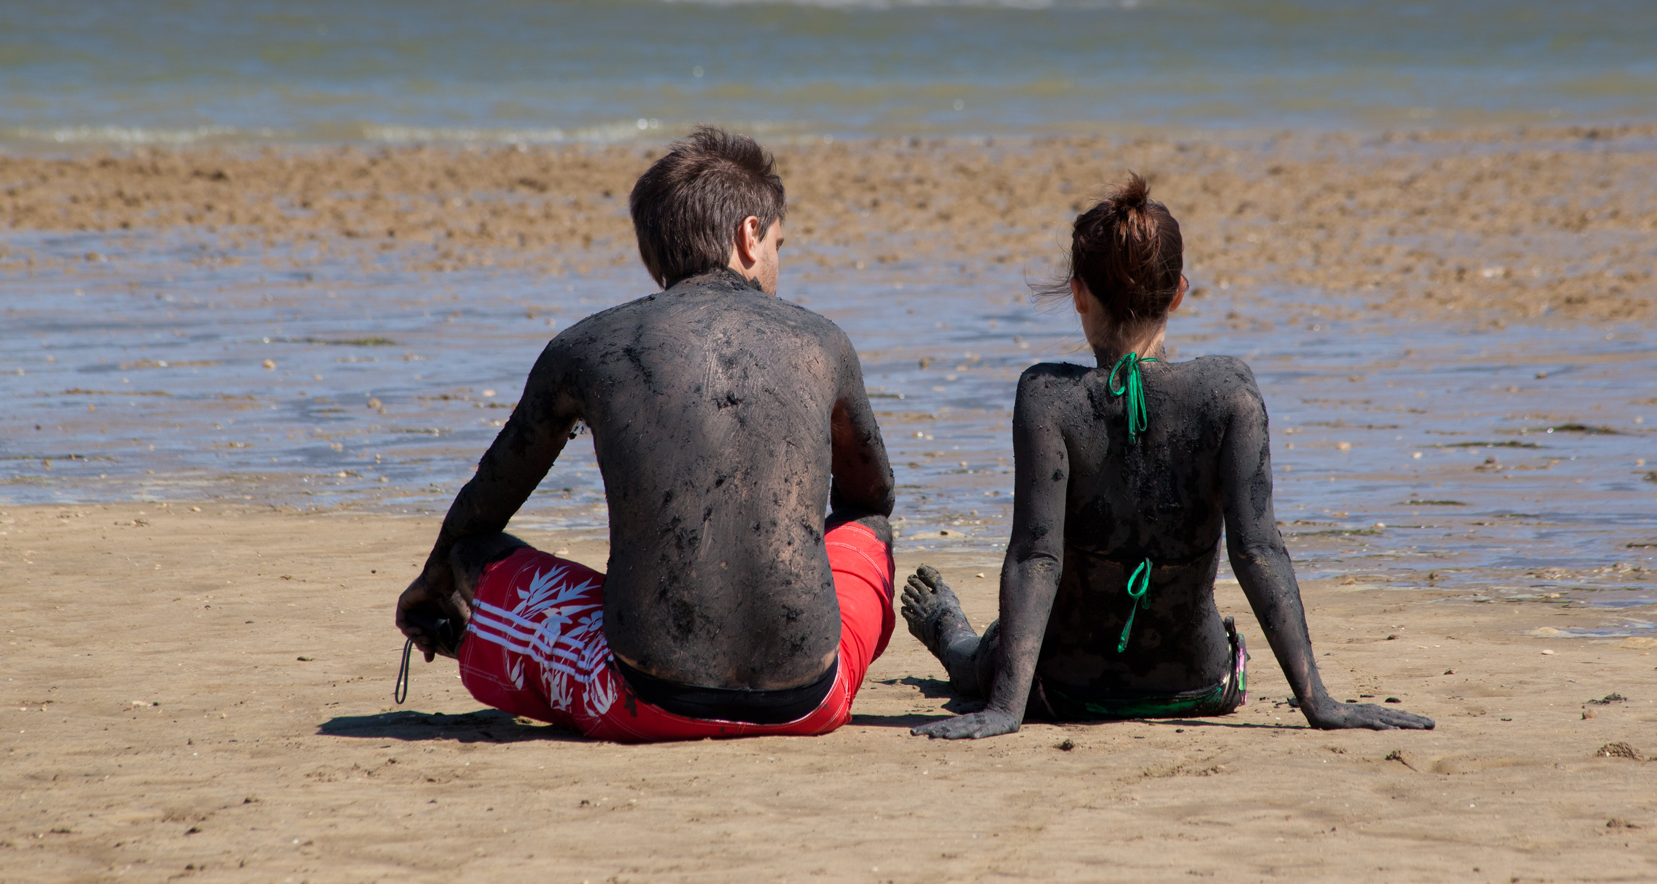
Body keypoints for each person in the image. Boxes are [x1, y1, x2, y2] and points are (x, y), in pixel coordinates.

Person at [394, 127, 897, 742]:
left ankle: (479, 643)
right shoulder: (823, 342)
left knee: (472, 553)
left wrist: (433, 584)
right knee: (868, 530)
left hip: (641, 703)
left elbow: (485, 504)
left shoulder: (589, 345)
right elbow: (873, 496)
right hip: (811, 703)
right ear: (748, 236)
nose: (776, 263)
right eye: (777, 244)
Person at [899, 175, 1433, 738]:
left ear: (1078, 293)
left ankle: (950, 633)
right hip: (1202, 685)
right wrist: (1318, 702)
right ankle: (961, 637)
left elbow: (1038, 557)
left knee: (981, 653)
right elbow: (1259, 551)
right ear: (1178, 292)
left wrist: (1007, 708)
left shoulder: (1047, 397)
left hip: (1059, 689)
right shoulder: (1230, 392)